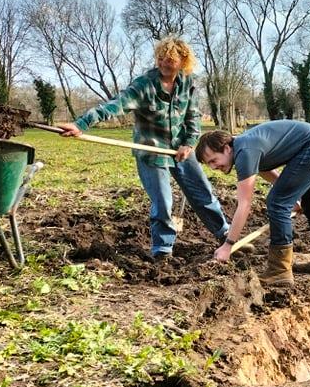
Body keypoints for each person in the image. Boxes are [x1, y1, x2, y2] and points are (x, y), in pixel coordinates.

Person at [58, 37, 231, 260]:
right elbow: (114, 105)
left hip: (181, 150)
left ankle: (225, 235)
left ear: (183, 62)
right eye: (160, 58)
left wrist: (189, 143)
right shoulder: (143, 85)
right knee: (163, 202)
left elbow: (193, 117)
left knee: (203, 193)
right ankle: (163, 251)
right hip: (151, 151)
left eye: (170, 59)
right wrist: (81, 124)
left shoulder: (187, 84)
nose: (163, 63)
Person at [195, 121, 310, 292]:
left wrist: (228, 245)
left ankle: (279, 271)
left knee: (277, 203)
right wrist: (292, 196)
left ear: (226, 148)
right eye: (208, 164)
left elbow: (244, 204)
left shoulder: (245, 152)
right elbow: (264, 168)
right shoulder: (244, 146)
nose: (213, 167)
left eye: (213, 160)